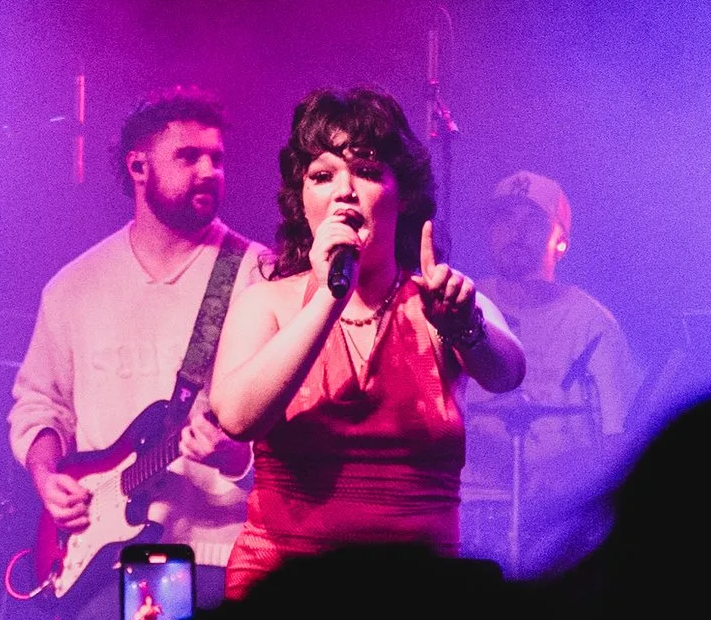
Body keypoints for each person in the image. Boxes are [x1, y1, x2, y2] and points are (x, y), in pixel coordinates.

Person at [210, 88, 525, 591]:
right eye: (322, 175)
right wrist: (329, 297)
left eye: (368, 171)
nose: (344, 190)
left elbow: (508, 371)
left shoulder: (437, 296)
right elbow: (237, 416)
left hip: (417, 591)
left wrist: (465, 328)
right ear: (303, 202)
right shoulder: (265, 302)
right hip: (283, 595)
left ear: (403, 198)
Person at [8, 89, 259, 620]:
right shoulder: (73, 287)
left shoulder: (256, 275)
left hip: (216, 556)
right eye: (189, 156)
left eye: (217, 159)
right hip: (102, 559)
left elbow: (293, 419)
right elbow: (40, 404)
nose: (209, 171)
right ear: (138, 165)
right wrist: (47, 477)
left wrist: (236, 456)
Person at [463, 170, 639, 570]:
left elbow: (618, 439)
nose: (516, 232)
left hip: (557, 516)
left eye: (532, 221)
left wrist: (567, 470)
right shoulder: (463, 302)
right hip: (471, 505)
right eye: (504, 219)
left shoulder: (591, 324)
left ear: (561, 240)